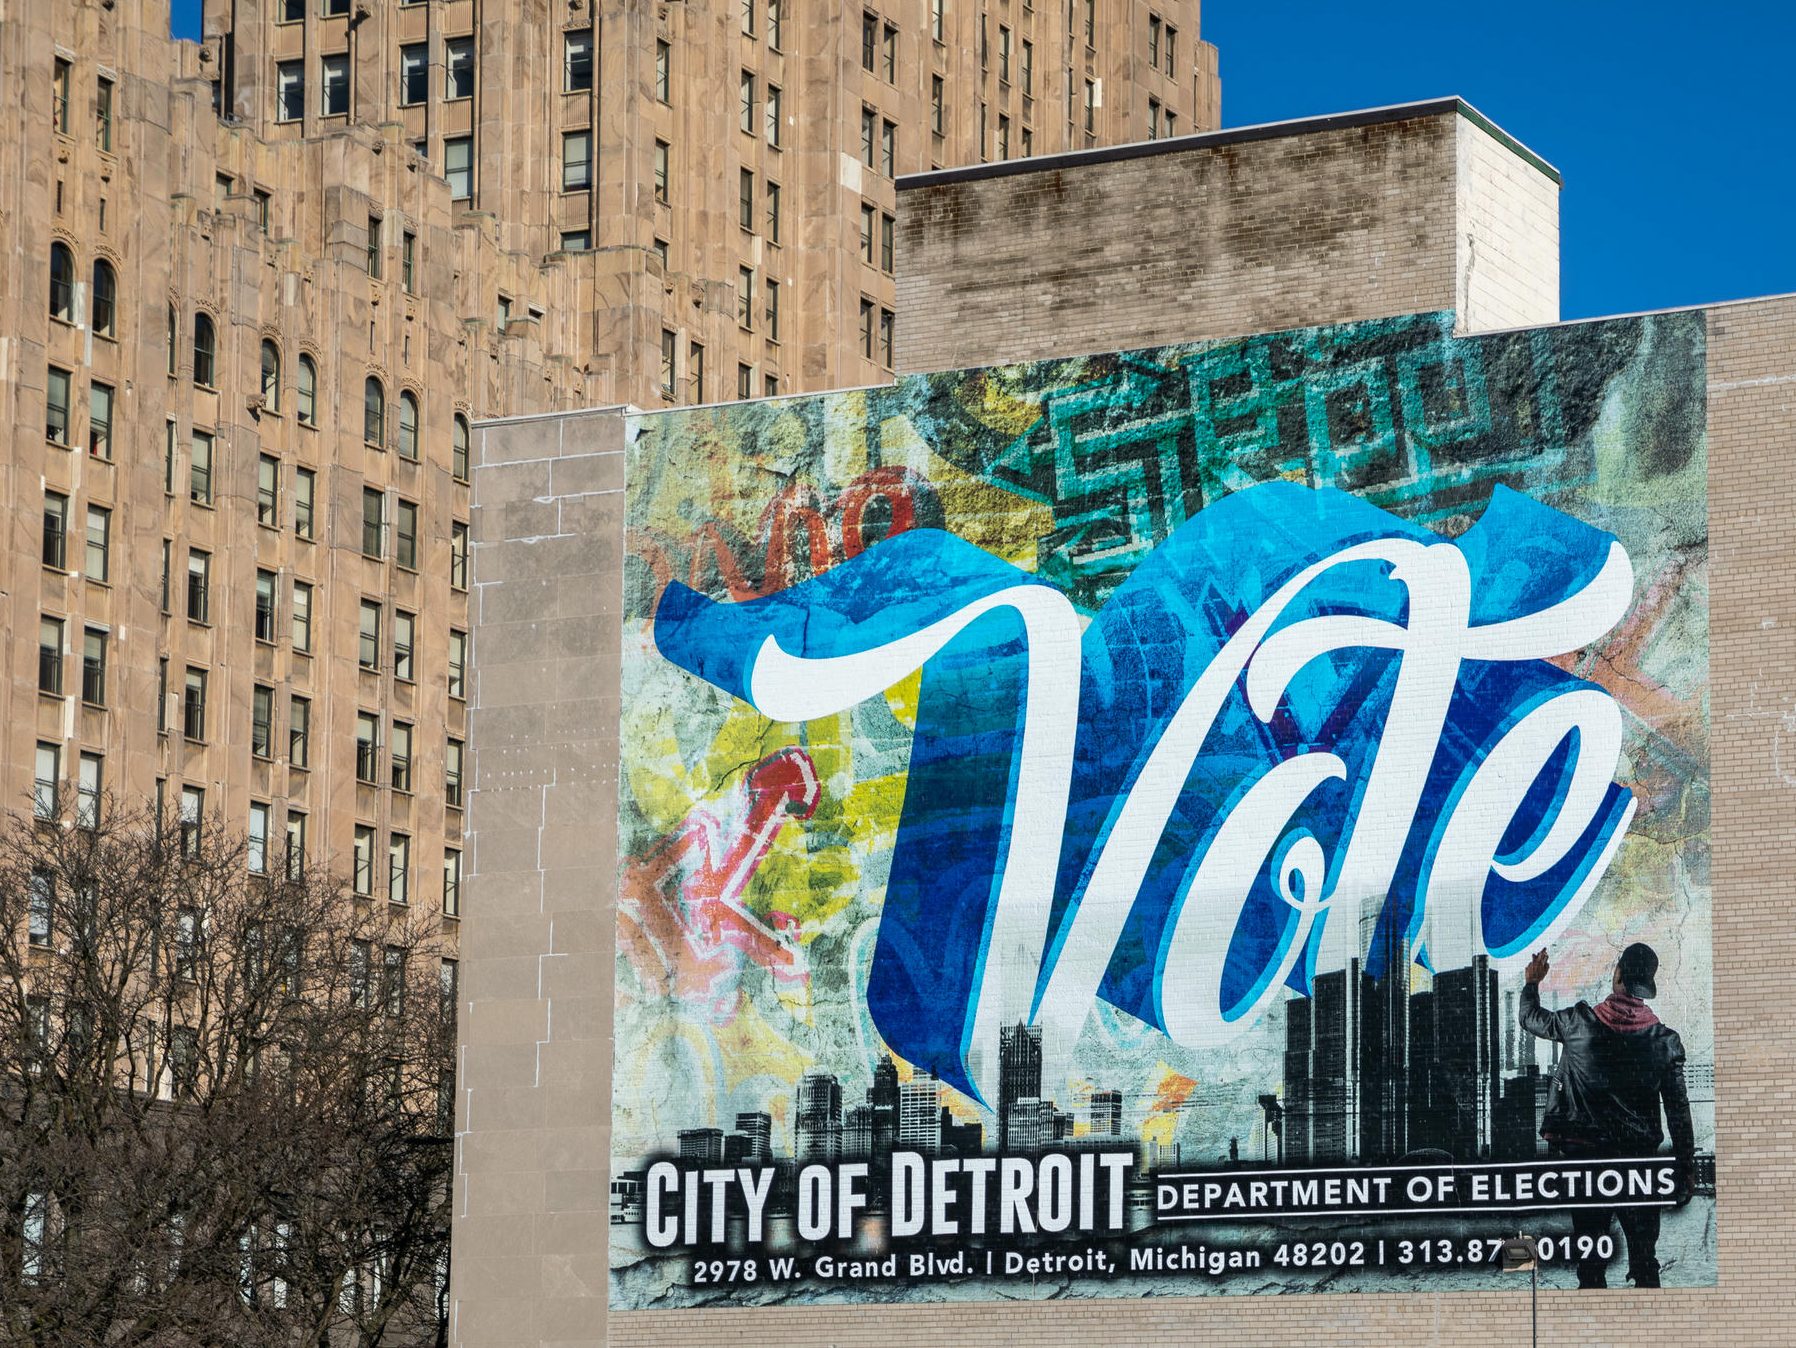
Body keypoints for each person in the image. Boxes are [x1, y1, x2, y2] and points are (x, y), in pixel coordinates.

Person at [1520, 942, 1695, 1289]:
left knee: (1591, 1262)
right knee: (1646, 1263)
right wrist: (1685, 1168)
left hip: (1588, 1168)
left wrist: (1532, 982)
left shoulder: (1577, 1022)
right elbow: (1678, 1113)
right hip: (1640, 1169)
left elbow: (1530, 1018)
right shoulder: (1666, 1042)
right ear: (1646, 986)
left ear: (1617, 976)